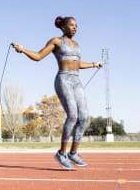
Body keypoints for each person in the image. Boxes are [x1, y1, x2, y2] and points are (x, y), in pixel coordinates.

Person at [12, 16, 102, 170]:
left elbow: (78, 63)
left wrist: (94, 64)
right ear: (63, 27)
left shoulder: (76, 44)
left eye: (77, 26)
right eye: (72, 25)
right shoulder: (56, 41)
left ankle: (73, 154)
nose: (75, 28)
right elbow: (39, 56)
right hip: (63, 79)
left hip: (76, 80)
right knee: (72, 115)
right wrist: (23, 49)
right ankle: (61, 153)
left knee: (83, 117)